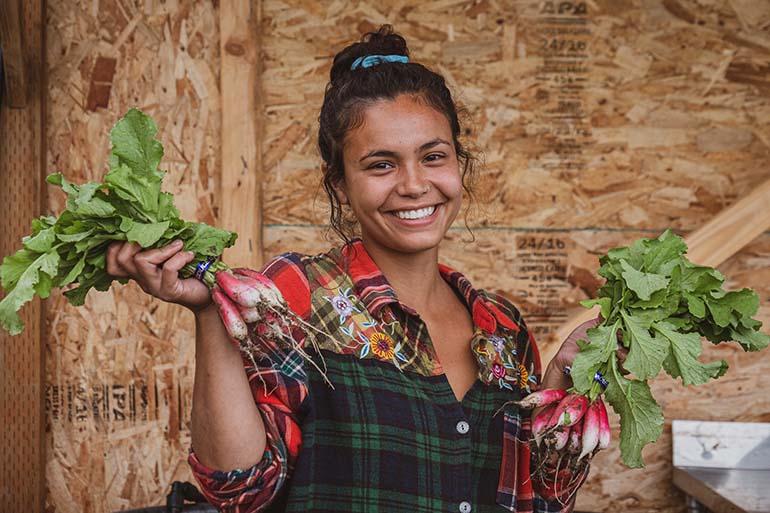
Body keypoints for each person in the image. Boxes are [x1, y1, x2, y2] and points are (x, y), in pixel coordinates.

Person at [106, 25, 598, 513]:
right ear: (340, 183)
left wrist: (559, 389)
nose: (413, 184)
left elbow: (536, 504)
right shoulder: (293, 297)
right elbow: (240, 489)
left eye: (433, 156)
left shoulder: (503, 330)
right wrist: (210, 314)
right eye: (381, 165)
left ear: (458, 165)